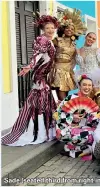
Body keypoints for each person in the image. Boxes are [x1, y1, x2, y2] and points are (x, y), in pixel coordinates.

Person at [2, 13, 59, 146]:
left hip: (44, 75)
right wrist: (29, 66)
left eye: (52, 28)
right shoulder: (42, 40)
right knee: (39, 102)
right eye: (47, 28)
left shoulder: (49, 40)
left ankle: (43, 130)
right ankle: (36, 131)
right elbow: (37, 56)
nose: (50, 30)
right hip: (39, 75)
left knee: (43, 101)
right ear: (43, 29)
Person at [54, 76, 100, 158]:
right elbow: (56, 114)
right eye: (84, 85)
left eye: (89, 85)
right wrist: (72, 116)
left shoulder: (90, 101)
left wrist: (93, 117)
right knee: (87, 135)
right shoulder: (71, 97)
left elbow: (94, 121)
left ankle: (75, 149)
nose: (87, 87)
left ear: (92, 87)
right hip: (66, 128)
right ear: (79, 86)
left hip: (81, 128)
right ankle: (71, 147)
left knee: (96, 133)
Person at [51, 9, 87, 101]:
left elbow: (76, 58)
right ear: (63, 29)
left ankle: (63, 110)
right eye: (67, 28)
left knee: (66, 90)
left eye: (72, 29)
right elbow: (49, 53)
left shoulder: (74, 43)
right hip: (58, 68)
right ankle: (65, 109)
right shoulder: (57, 40)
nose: (69, 30)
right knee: (60, 90)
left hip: (68, 69)